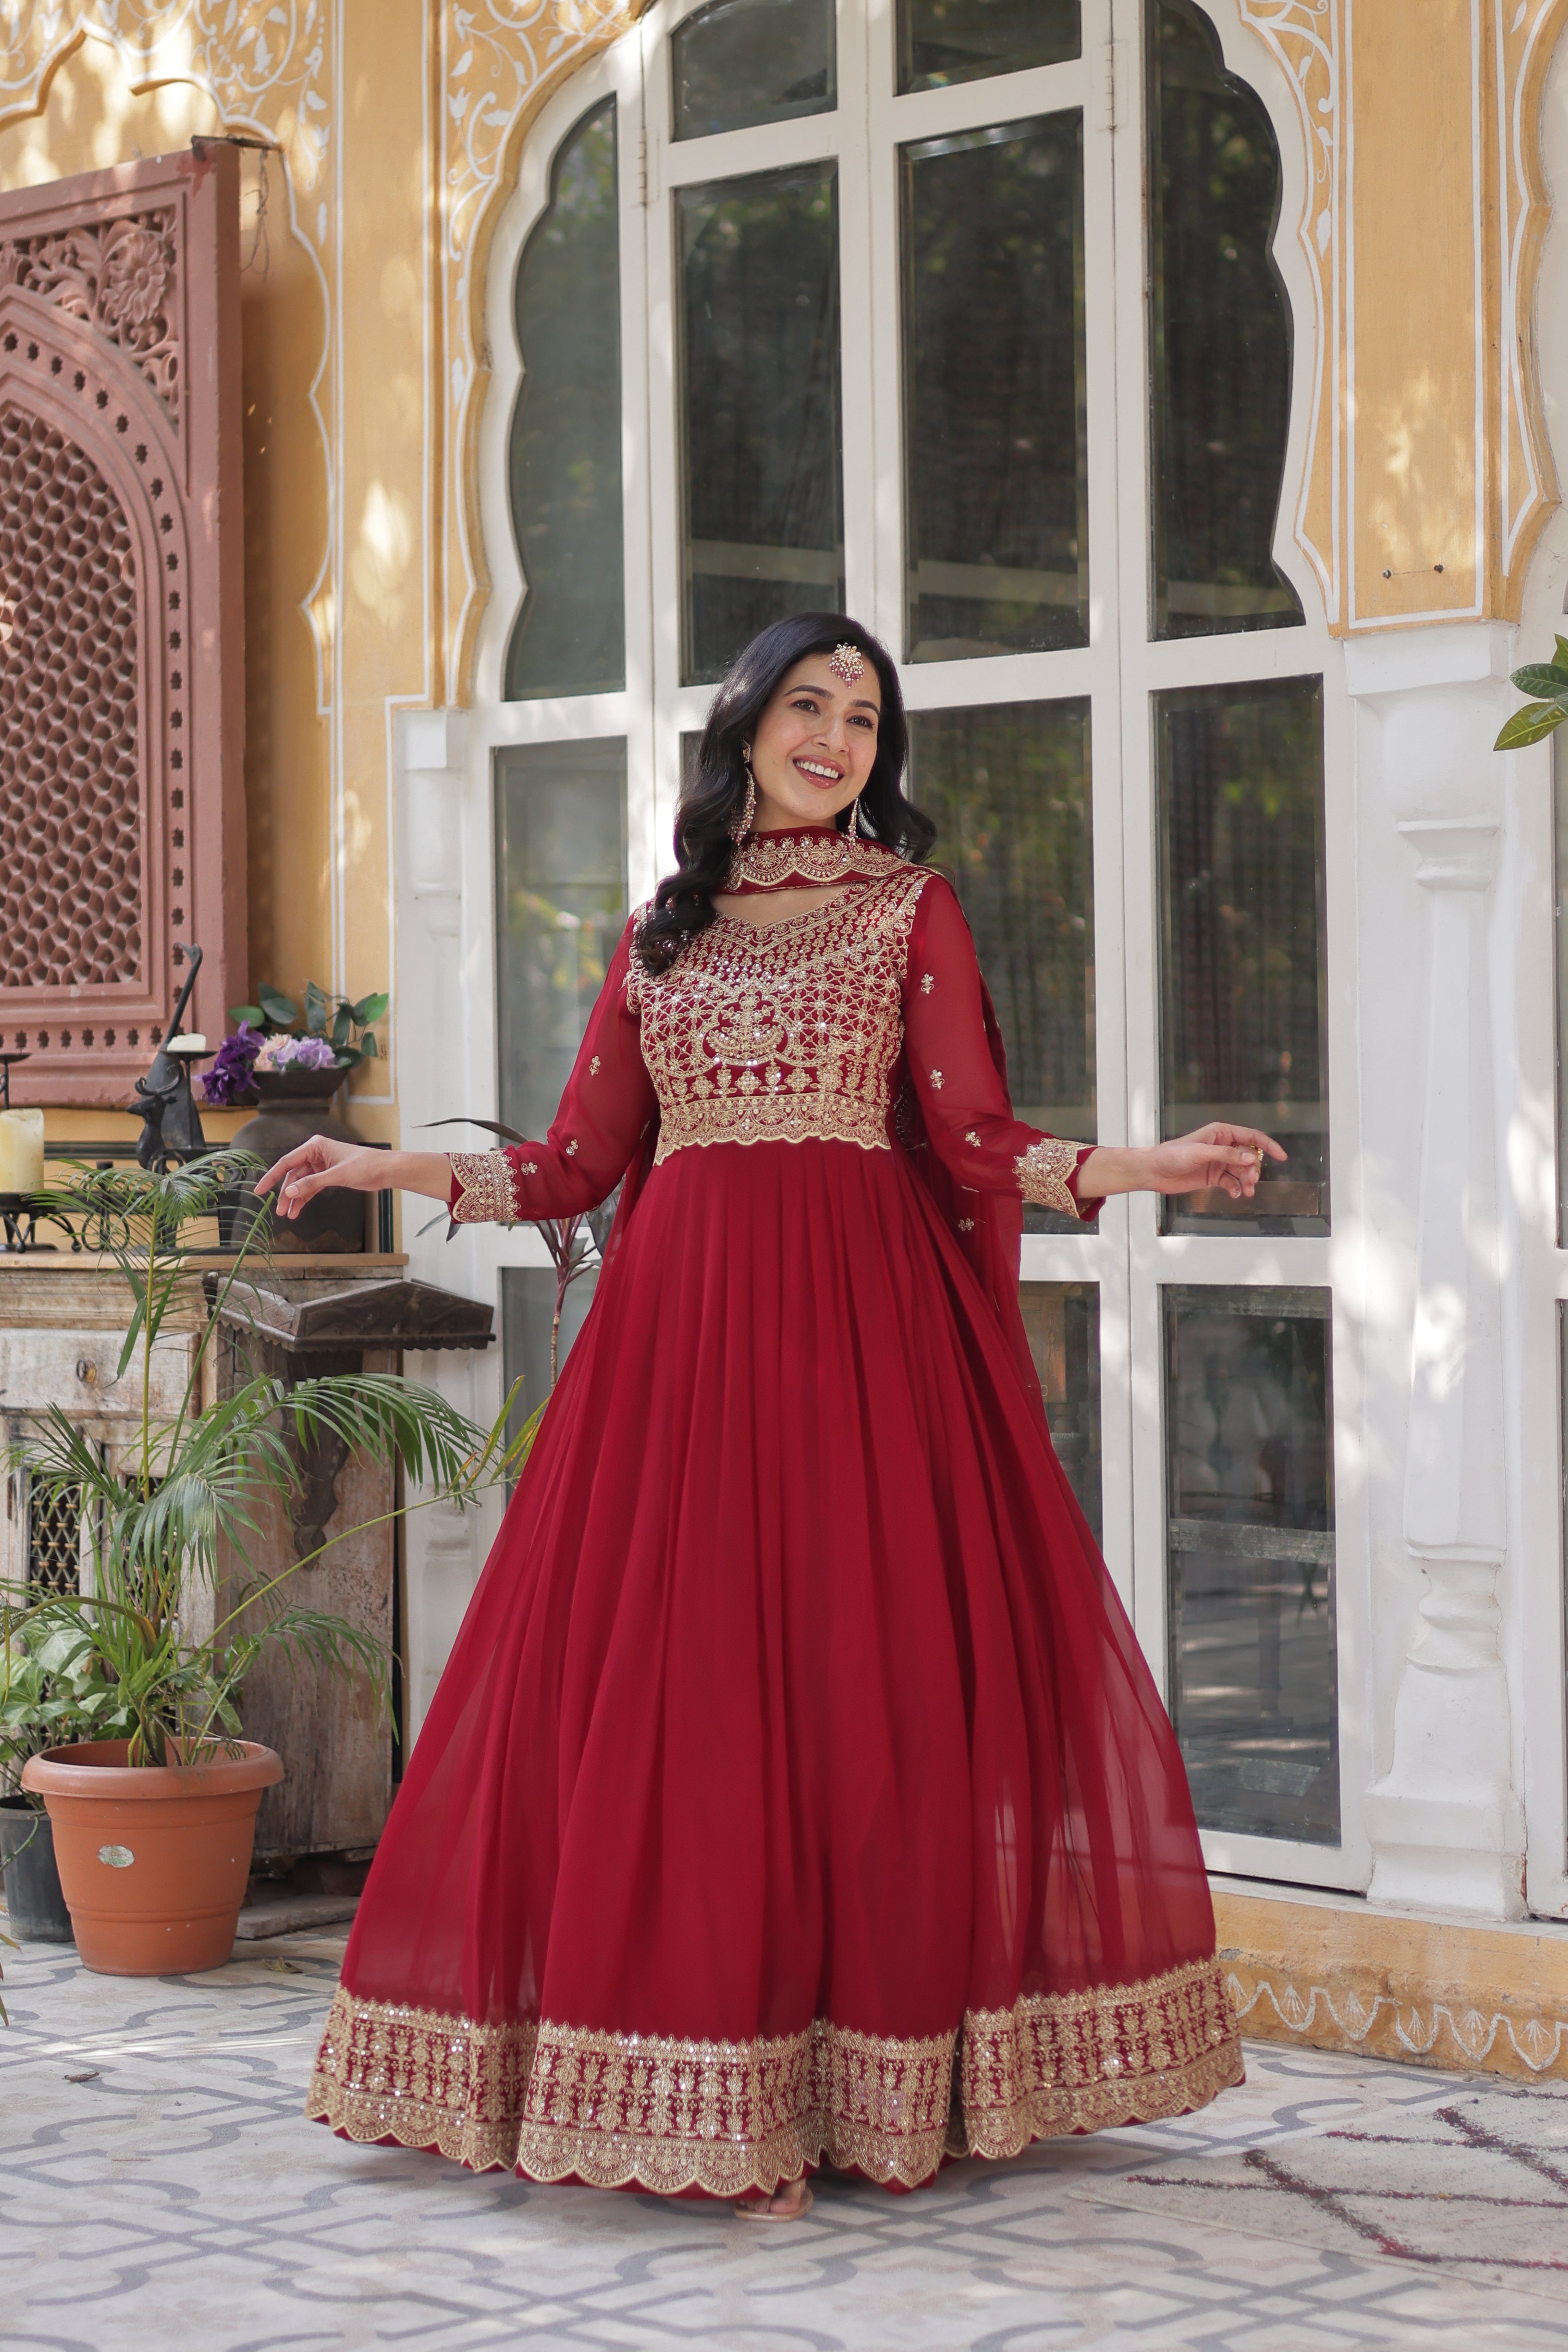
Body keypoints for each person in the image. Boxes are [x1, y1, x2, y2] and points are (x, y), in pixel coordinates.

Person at [260, 614, 1281, 2220]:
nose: (836, 738)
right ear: (745, 723)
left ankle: (870, 2084)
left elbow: (967, 1137)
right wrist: (383, 1164)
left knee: (860, 1695)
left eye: (865, 718)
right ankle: (701, 2077)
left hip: (862, 1355)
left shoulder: (910, 908)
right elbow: (574, 1168)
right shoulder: (660, 935)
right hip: (676, 1363)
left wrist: (1140, 1167)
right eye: (810, 703)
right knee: (691, 1696)